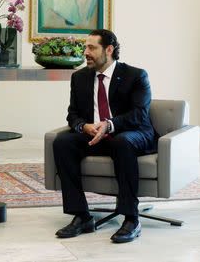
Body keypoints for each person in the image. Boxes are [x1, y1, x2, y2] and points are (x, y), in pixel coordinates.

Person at [53, 29, 157, 243]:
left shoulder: (135, 76)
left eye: (92, 47)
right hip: (94, 136)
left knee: (122, 141)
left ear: (109, 50)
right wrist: (84, 126)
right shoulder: (79, 77)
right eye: (86, 47)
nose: (86, 52)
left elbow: (139, 114)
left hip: (132, 134)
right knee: (63, 142)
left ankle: (131, 219)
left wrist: (108, 125)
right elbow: (72, 114)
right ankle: (81, 216)